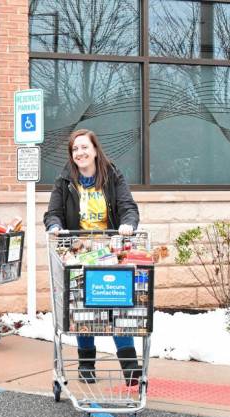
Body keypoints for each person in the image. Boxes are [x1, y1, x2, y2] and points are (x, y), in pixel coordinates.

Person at [43, 128, 140, 385]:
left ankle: (130, 368)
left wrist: (128, 224)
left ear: (95, 150)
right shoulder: (65, 180)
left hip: (109, 252)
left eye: (85, 147)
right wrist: (55, 227)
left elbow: (127, 207)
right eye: (75, 149)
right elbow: (52, 213)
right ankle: (86, 365)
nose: (80, 153)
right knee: (82, 307)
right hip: (79, 252)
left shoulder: (112, 176)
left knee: (117, 304)